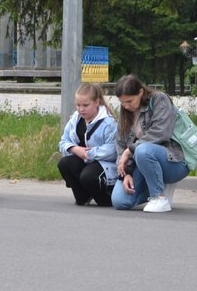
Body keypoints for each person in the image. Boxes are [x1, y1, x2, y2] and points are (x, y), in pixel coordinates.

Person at [111, 74, 189, 213]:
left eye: (130, 101)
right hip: (141, 162)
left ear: (140, 92)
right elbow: (120, 144)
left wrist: (130, 150)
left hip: (173, 160)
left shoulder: (159, 99)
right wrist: (126, 173)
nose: (126, 106)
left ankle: (159, 198)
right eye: (122, 102)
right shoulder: (125, 111)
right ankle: (156, 184)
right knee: (120, 201)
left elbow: (161, 133)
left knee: (142, 150)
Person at [57, 83, 118, 206]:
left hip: (105, 164)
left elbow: (113, 150)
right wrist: (74, 149)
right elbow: (63, 141)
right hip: (85, 160)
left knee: (88, 176)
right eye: (78, 105)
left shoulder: (109, 123)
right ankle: (83, 196)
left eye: (85, 105)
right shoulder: (75, 119)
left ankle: (107, 197)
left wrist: (88, 153)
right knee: (65, 163)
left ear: (97, 102)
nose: (81, 109)